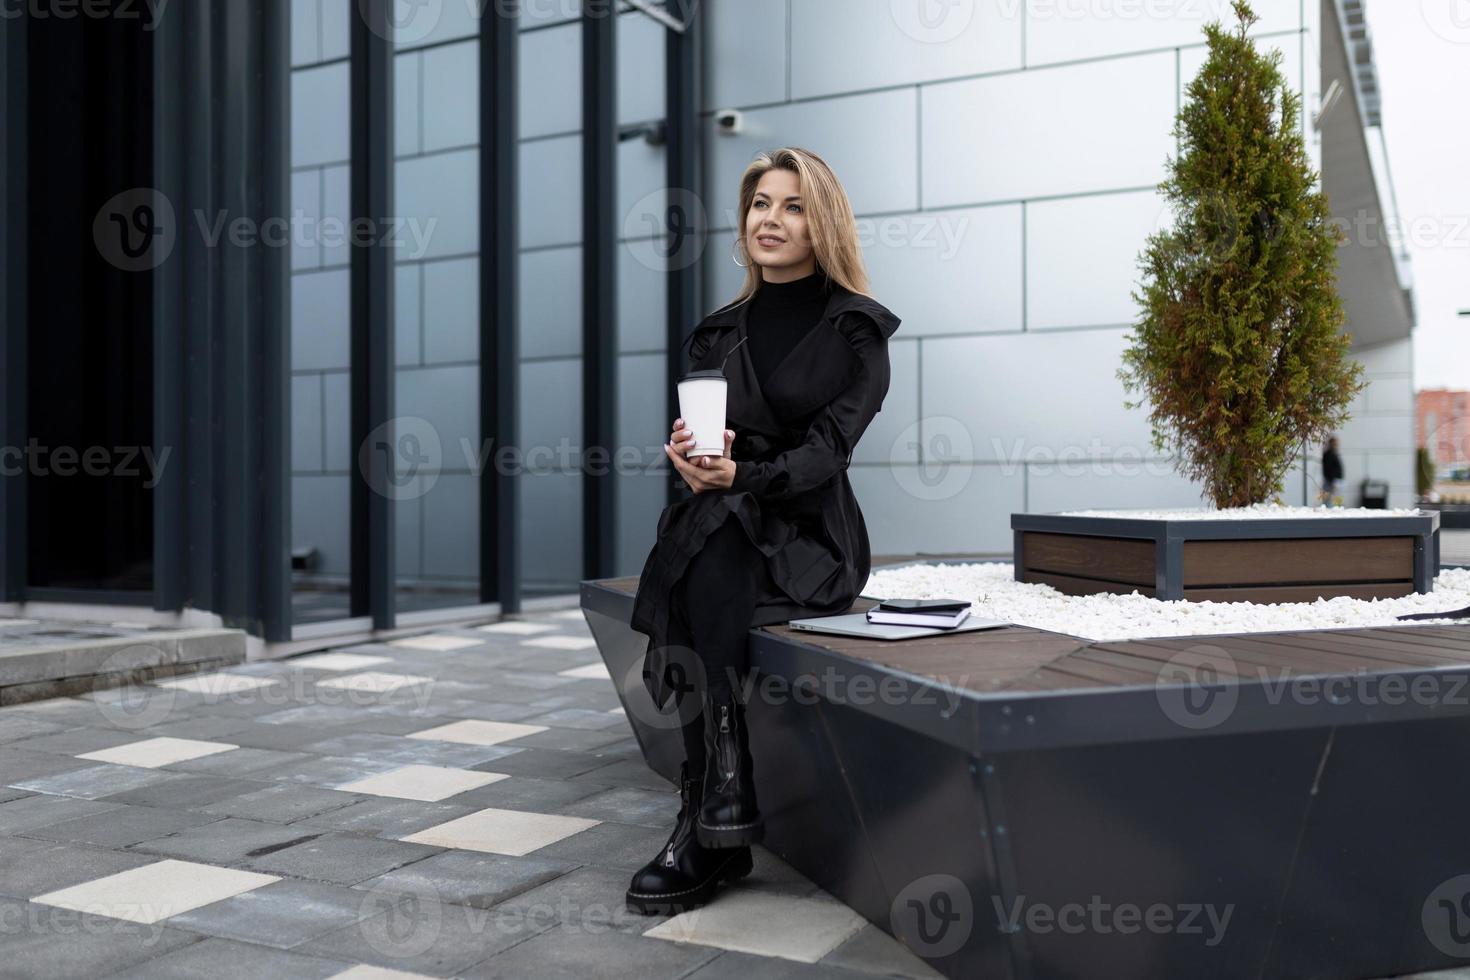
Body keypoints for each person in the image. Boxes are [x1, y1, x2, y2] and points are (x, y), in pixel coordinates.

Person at [623, 148, 900, 915]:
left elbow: (826, 455)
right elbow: (709, 444)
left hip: (812, 540)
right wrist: (691, 459)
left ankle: (710, 810)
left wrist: (738, 480)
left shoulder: (858, 332)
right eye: (758, 205)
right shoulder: (714, 335)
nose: (770, 220)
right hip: (726, 521)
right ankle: (717, 797)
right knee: (710, 529)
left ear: (823, 224)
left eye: (792, 205)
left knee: (700, 540)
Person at [1321, 436, 1344, 505]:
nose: (1337, 445)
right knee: (1330, 499)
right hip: (1331, 480)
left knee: (1335, 498)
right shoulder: (1329, 454)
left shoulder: (1333, 453)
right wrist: (1332, 480)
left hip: (1334, 480)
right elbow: (1328, 468)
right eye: (1335, 443)